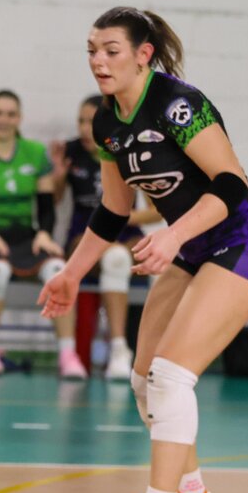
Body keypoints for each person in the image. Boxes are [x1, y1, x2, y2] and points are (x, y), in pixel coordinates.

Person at [40, 7, 248, 493]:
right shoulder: (106, 122)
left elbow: (231, 182)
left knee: (172, 375)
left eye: (111, 51)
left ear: (143, 54)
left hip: (245, 242)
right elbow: (113, 208)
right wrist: (72, 273)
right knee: (144, 380)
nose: (99, 61)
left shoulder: (179, 104)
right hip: (194, 249)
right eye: (91, 51)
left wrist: (173, 235)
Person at [0, 90, 80, 379]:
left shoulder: (35, 153)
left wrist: (45, 233)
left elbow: (46, 204)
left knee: (58, 270)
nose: (4, 120)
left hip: (25, 237)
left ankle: (68, 353)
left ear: (19, 118)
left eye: (11, 114)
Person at [49, 94, 162, 380]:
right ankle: (112, 348)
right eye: (81, 121)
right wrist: (58, 176)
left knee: (127, 258)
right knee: (112, 257)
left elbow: (156, 213)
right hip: (85, 233)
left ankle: (122, 349)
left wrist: (120, 216)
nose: (85, 129)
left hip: (125, 233)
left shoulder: (130, 149)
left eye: (92, 121)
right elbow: (54, 200)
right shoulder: (70, 151)